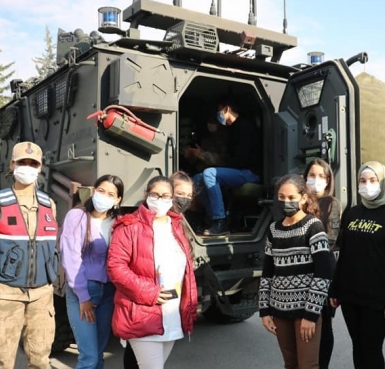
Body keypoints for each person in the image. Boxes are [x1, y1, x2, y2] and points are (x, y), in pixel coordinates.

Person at [0, 142, 58, 369]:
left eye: (33, 163)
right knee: (2, 361)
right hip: (5, 293)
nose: (27, 167)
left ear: (40, 167)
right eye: (22, 162)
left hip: (41, 295)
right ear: (12, 165)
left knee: (40, 360)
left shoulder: (49, 204)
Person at [108, 176, 197, 369]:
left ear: (172, 198)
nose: (160, 199)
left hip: (171, 314)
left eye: (165, 196)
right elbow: (115, 267)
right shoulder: (129, 226)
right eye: (155, 195)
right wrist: (150, 292)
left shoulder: (177, 226)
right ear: (147, 195)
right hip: (143, 312)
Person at [329, 161, 385, 369]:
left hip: (377, 300)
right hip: (350, 296)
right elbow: (344, 254)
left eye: (373, 180)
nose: (367, 185)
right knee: (358, 346)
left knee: (371, 348)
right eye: (362, 180)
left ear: (382, 182)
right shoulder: (352, 213)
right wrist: (335, 289)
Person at [259, 174, 332, 369]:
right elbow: (267, 273)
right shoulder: (274, 229)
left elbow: (323, 275)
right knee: (290, 364)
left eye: (291, 197)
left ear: (303, 198)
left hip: (305, 312)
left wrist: (310, 315)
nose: (286, 202)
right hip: (279, 311)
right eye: (281, 197)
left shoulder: (314, 227)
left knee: (308, 365)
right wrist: (264, 311)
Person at [59, 174, 124, 369]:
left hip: (109, 292)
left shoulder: (118, 222)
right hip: (84, 290)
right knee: (89, 358)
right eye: (101, 191)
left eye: (111, 194)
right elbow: (71, 258)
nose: (104, 196)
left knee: (99, 354)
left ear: (118, 200)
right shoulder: (77, 216)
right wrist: (83, 296)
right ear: (94, 191)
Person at [192, 100, 262, 236]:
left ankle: (220, 221)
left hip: (249, 172)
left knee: (209, 173)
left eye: (219, 110)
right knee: (197, 179)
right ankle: (213, 219)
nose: (218, 115)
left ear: (227, 109)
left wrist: (221, 166)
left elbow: (240, 160)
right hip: (237, 170)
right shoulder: (230, 129)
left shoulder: (245, 128)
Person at [303, 158, 341, 369]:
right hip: (300, 273)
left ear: (328, 181)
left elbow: (331, 240)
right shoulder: (299, 202)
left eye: (321, 176)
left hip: (322, 271)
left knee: (324, 324)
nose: (315, 180)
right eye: (312, 175)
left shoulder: (332, 204)